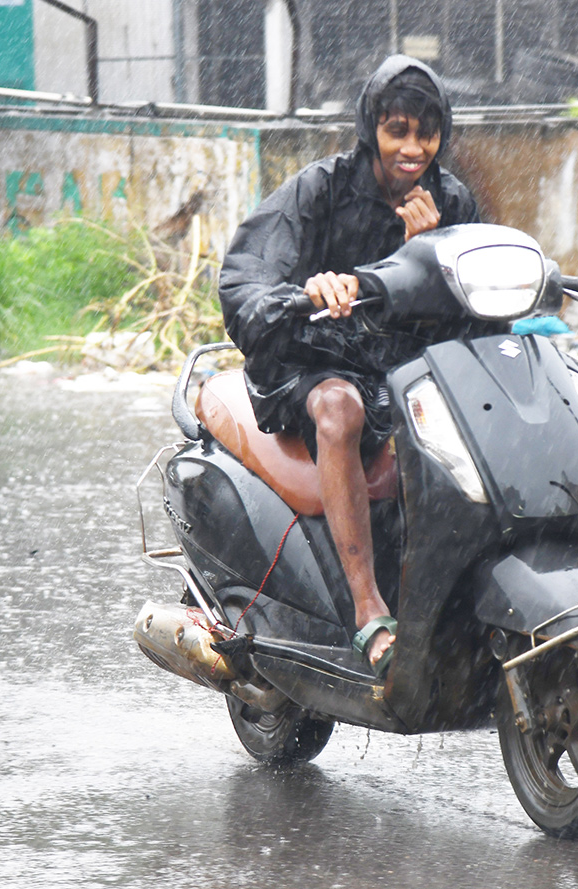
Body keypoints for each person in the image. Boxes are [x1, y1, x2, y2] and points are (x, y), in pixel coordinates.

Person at [218, 56, 480, 677]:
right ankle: (367, 610)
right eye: (398, 130)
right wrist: (309, 293)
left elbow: (468, 311)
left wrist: (432, 247)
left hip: (396, 371)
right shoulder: (320, 189)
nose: (413, 148)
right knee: (341, 409)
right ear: (371, 129)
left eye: (427, 132)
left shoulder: (449, 200)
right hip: (309, 364)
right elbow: (244, 278)